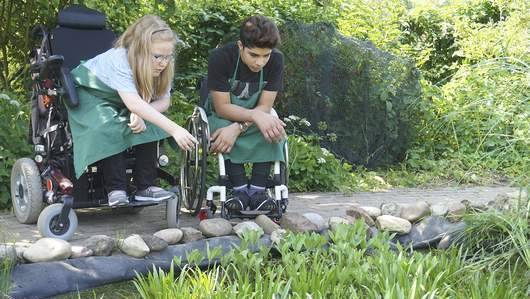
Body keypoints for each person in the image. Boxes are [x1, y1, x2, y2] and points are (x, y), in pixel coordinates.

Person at [66, 15, 197, 207]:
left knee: (151, 123)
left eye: (168, 56)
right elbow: (134, 103)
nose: (163, 62)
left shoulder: (164, 64)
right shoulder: (120, 60)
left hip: (127, 97)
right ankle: (116, 189)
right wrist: (174, 129)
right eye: (157, 56)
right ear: (139, 50)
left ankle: (146, 186)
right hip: (93, 93)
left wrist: (142, 112)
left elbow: (164, 101)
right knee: (109, 125)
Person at [204, 15, 286, 212]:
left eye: (266, 55)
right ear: (241, 45)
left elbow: (265, 106)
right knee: (222, 130)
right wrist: (248, 120)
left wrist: (239, 127)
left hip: (254, 116)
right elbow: (222, 107)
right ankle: (239, 191)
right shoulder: (221, 57)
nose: (260, 63)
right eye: (254, 55)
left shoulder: (276, 60)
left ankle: (258, 191)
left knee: (273, 128)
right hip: (221, 116)